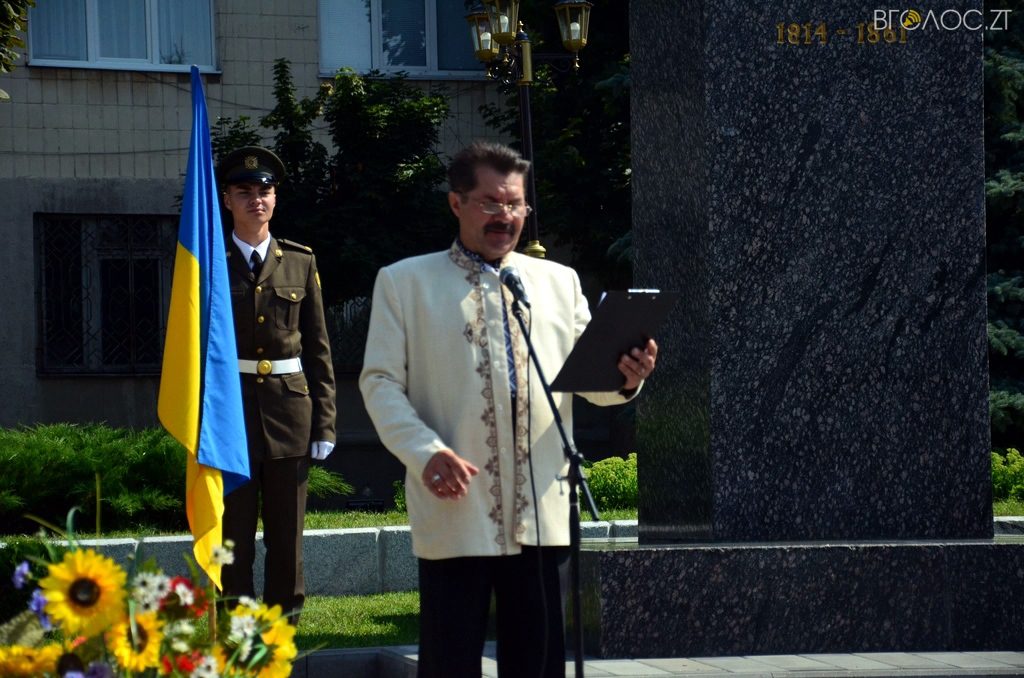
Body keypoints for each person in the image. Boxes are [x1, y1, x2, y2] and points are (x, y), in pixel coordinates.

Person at [359, 141, 658, 677]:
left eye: (515, 204)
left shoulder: (557, 282)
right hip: (456, 502)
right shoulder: (405, 283)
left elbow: (592, 383)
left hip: (541, 508)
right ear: (456, 203)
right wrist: (424, 452)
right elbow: (380, 383)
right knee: (450, 662)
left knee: (538, 663)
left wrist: (627, 377)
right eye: (491, 203)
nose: (506, 217)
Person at [217, 146, 337, 621]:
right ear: (227, 199)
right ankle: (238, 621)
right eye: (244, 191)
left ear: (275, 198)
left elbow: (319, 349)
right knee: (234, 533)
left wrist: (325, 423)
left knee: (288, 532)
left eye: (264, 191)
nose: (256, 200)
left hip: (289, 414)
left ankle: (284, 622)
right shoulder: (209, 261)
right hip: (230, 416)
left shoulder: (299, 261)